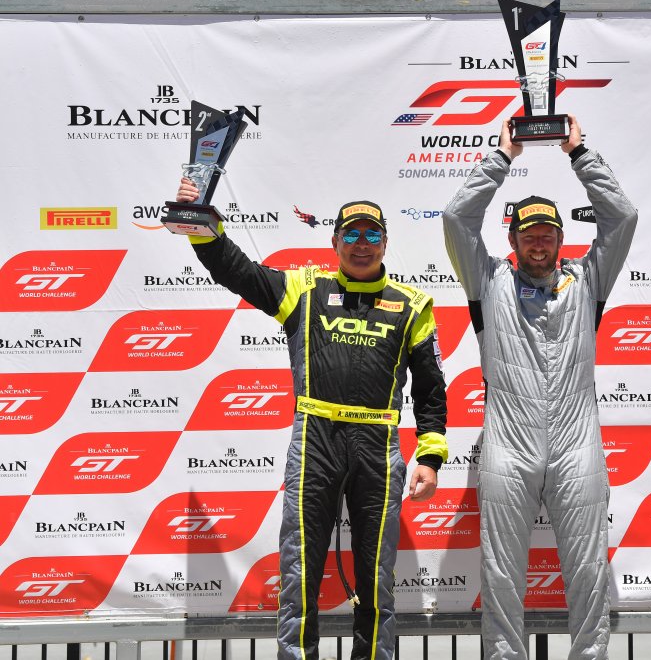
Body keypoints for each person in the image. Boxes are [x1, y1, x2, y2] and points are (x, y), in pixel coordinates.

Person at [173, 179, 448, 660]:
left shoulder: (413, 305)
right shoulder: (305, 288)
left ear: (385, 242)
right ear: (335, 241)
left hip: (378, 443)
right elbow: (237, 271)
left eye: (371, 235)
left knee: (376, 575)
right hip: (315, 441)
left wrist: (430, 456)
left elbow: (430, 388)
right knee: (300, 569)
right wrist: (201, 224)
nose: (361, 244)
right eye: (351, 234)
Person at [442, 115, 637, 660]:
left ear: (560, 239)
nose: (539, 243)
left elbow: (622, 217)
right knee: (501, 572)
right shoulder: (488, 280)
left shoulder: (587, 279)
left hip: (577, 442)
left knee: (589, 570)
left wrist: (580, 154)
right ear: (512, 239)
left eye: (547, 234)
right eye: (529, 235)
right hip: (509, 442)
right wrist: (501, 158)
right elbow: (457, 218)